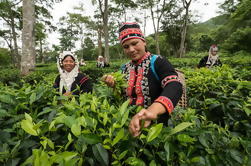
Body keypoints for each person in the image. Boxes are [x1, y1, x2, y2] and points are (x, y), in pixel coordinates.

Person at [102, 22, 183, 137]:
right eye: (126, 47)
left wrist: (151, 111)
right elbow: (123, 96)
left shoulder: (158, 61)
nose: (131, 49)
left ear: (144, 42)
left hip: (157, 126)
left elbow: (174, 85)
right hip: (129, 123)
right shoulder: (124, 68)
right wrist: (113, 84)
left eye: (134, 43)